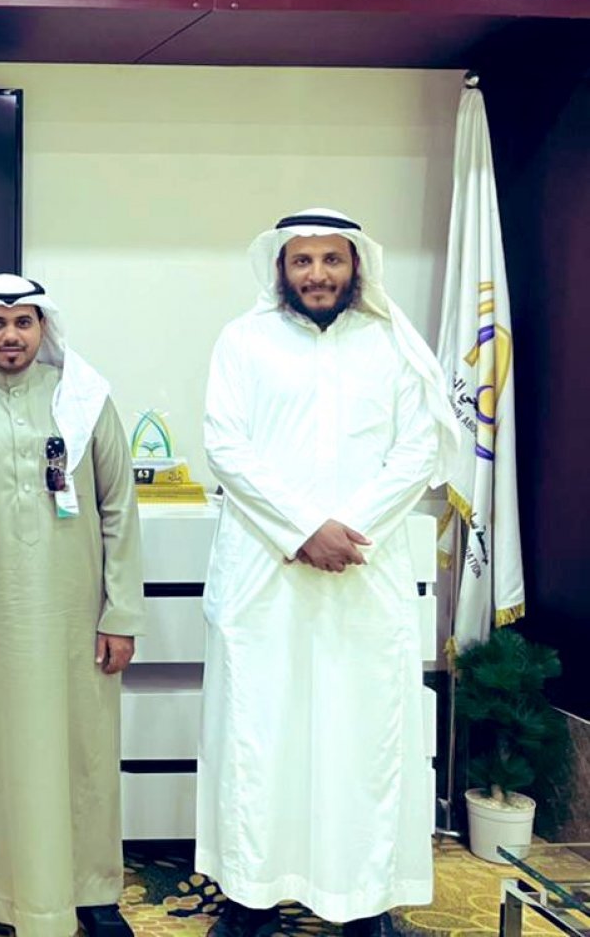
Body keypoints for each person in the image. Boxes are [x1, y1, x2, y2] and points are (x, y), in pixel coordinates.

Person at [197, 209, 462, 937]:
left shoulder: (391, 345)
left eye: (331, 260)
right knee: (259, 735)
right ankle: (251, 897)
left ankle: (363, 901)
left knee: (362, 738)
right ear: (280, 269)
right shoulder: (243, 341)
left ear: (356, 266)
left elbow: (417, 450)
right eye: (302, 261)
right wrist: (302, 529)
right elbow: (225, 445)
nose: (317, 274)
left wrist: (347, 530)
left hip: (362, 572)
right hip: (266, 573)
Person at [0, 273, 144, 937]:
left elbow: (119, 510)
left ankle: (91, 892)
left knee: (83, 753)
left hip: (74, 618)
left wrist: (121, 614)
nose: (10, 335)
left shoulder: (85, 402)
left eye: (22, 322)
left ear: (43, 328)